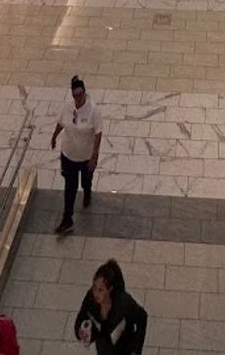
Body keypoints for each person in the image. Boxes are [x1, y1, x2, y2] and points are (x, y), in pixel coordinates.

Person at [51, 75, 103, 234]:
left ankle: (87, 191)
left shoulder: (93, 110)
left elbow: (98, 134)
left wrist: (94, 157)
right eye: (75, 95)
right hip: (69, 154)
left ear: (85, 92)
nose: (77, 99)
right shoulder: (68, 106)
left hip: (86, 156)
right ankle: (67, 218)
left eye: (80, 95)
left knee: (86, 180)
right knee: (70, 187)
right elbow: (61, 123)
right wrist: (54, 137)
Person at [74, 258, 147, 353]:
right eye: (94, 287)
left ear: (110, 289)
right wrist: (80, 331)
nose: (96, 293)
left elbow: (142, 317)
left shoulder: (124, 303)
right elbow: (82, 316)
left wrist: (136, 350)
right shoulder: (91, 298)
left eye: (101, 290)